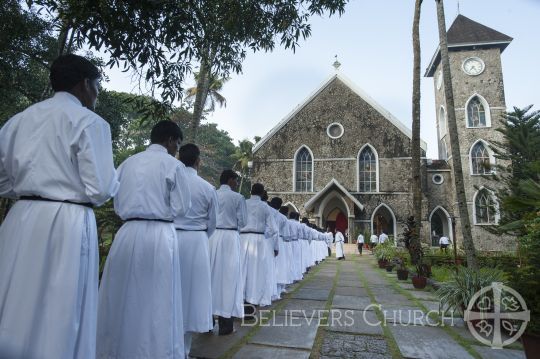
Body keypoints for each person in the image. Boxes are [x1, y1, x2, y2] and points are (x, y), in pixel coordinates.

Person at [0, 54, 119, 358]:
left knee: (14, 298)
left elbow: (2, 182)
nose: (97, 92)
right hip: (66, 220)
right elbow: (101, 189)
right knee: (60, 307)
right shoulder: (90, 122)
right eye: (97, 85)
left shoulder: (17, 121)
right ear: (84, 84)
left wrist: (31, 190)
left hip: (21, 218)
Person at [97, 121, 190, 358]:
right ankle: (155, 351)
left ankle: (117, 350)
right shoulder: (173, 165)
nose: (176, 150)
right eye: (177, 144)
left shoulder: (128, 163)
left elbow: (116, 201)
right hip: (159, 235)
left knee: (122, 296)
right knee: (156, 298)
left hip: (127, 233)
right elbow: (182, 208)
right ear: (169, 140)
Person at [175, 143, 218, 357]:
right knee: (192, 294)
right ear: (198, 161)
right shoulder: (207, 187)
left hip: (170, 237)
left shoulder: (171, 180)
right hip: (196, 240)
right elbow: (212, 222)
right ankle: (184, 349)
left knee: (170, 290)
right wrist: (201, 236)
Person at [209, 169, 247, 335]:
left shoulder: (212, 194)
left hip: (213, 236)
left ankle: (207, 320)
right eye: (236, 180)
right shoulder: (237, 198)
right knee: (229, 278)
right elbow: (243, 222)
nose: (237, 183)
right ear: (231, 180)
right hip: (230, 237)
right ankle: (225, 324)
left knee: (210, 276)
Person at [240, 183, 277, 309]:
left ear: (251, 192)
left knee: (242, 269)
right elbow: (273, 228)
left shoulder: (243, 203)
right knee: (256, 271)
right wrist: (263, 235)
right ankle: (253, 299)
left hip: (242, 238)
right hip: (258, 239)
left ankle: (240, 297)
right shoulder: (264, 206)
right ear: (262, 193)